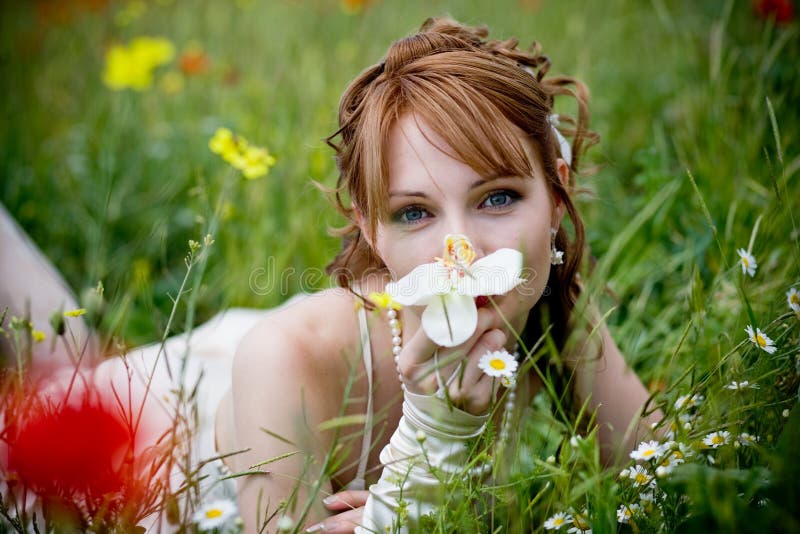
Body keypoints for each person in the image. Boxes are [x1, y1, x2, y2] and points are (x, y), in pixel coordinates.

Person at [217, 16, 662, 534]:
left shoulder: (542, 303)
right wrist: (434, 451)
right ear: (369, 227)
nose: (463, 252)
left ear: (557, 198)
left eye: (498, 198)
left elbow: (667, 479)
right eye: (414, 212)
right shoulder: (285, 359)